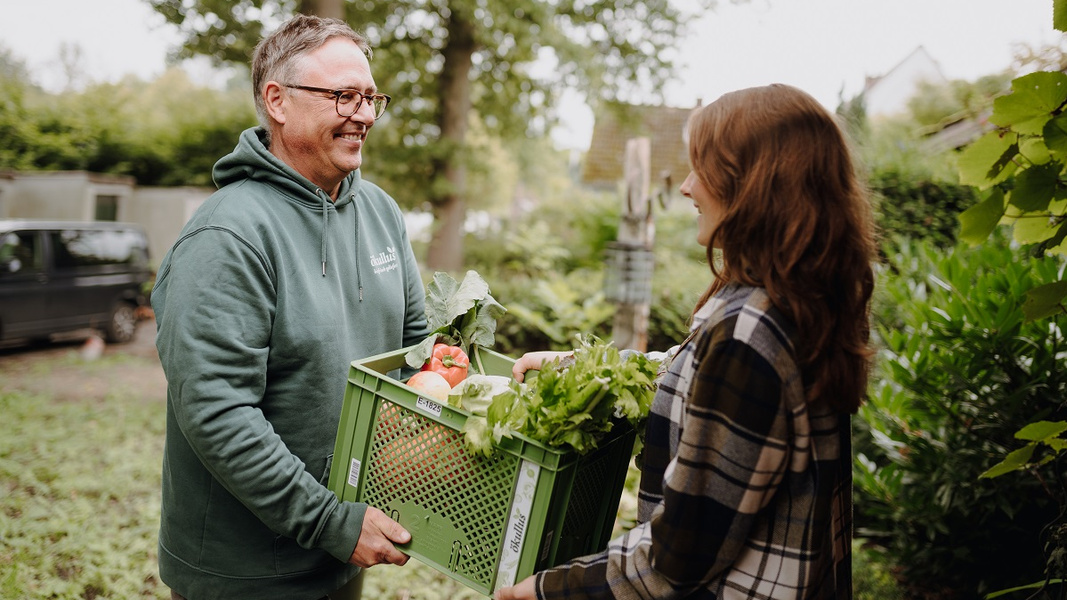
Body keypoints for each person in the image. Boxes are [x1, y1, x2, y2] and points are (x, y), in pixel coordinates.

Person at [497, 84, 876, 600]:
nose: (687, 187)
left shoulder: (751, 333)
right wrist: (579, 368)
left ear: (756, 186)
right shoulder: (799, 303)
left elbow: (678, 559)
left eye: (704, 169)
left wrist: (542, 591)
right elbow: (694, 381)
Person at [151, 14, 431, 600]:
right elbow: (217, 410)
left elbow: (416, 355)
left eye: (370, 97)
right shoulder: (228, 235)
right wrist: (327, 520)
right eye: (342, 96)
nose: (365, 115)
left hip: (343, 552)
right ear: (277, 101)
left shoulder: (380, 212)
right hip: (245, 571)